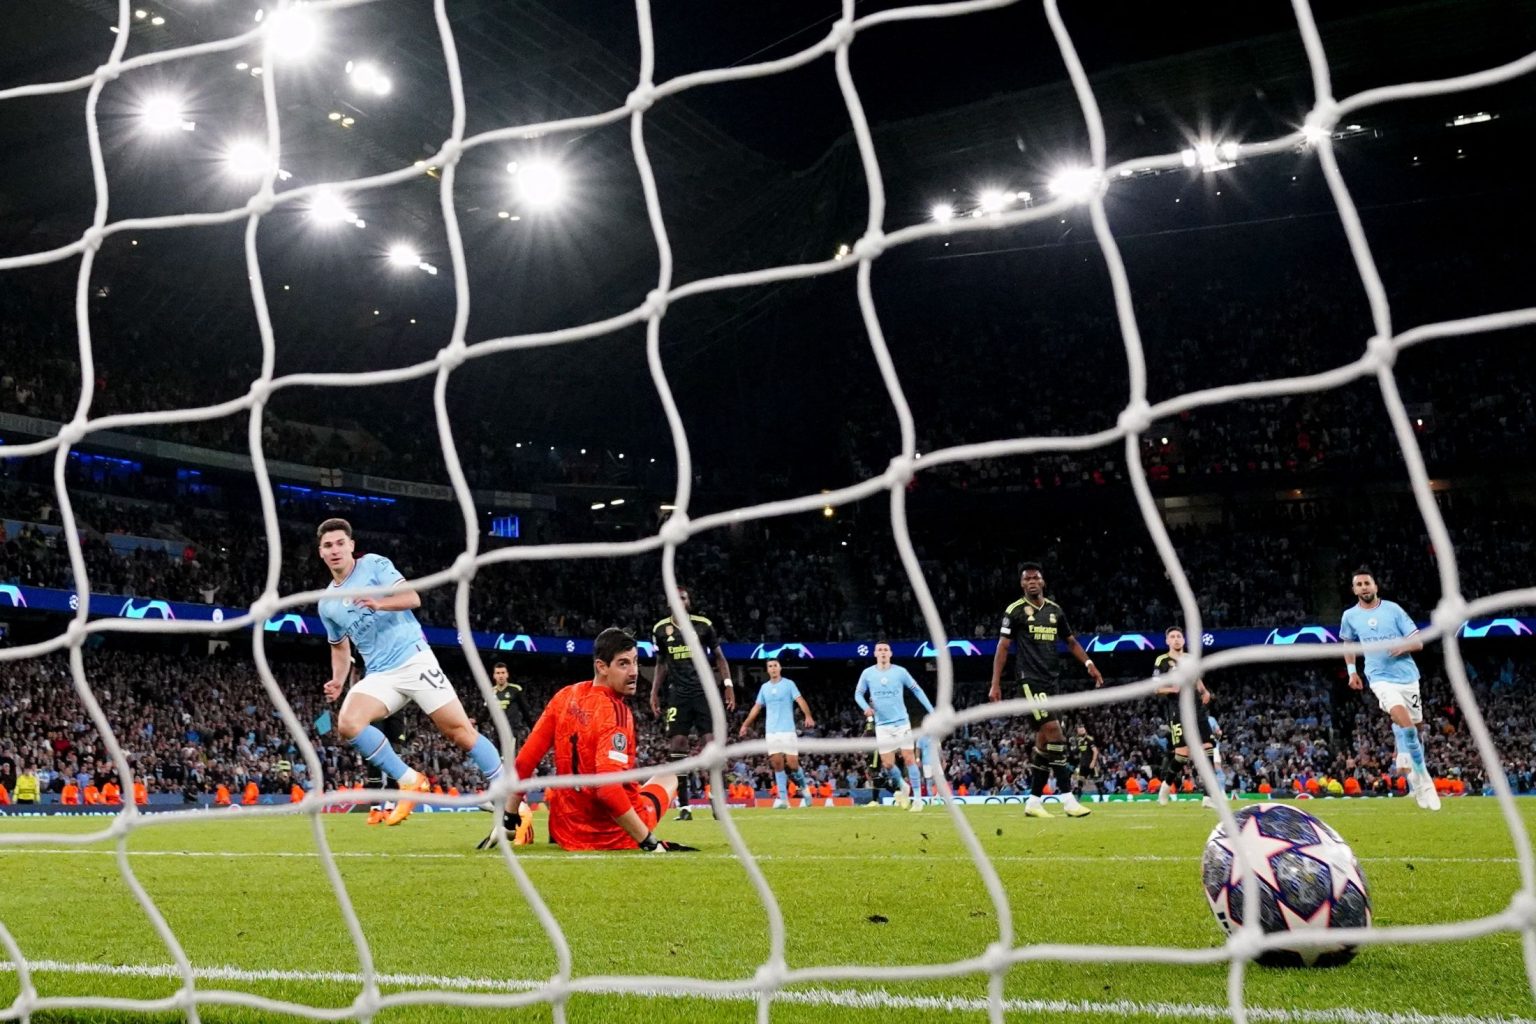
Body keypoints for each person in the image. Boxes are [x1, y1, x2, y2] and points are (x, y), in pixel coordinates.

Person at [315, 518, 513, 828]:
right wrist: (338, 680)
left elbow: (412, 598)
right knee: (349, 723)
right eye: (328, 546)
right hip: (380, 674)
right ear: (321, 553)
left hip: (414, 659)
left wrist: (379, 603)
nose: (335, 550)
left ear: (352, 545)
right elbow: (339, 647)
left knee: (459, 732)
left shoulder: (374, 565)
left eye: (341, 543)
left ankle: (506, 792)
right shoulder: (327, 604)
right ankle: (410, 780)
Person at [502, 628, 695, 852]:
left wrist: (509, 816)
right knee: (671, 774)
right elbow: (608, 790)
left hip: (565, 831)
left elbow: (524, 762)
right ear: (602, 667)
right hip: (613, 836)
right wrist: (649, 842)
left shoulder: (564, 696)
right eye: (623, 664)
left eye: (635, 662)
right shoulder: (616, 712)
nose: (634, 672)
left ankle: (516, 825)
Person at [987, 562, 1103, 819]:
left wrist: (1089, 664)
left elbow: (1071, 641)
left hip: (1052, 682)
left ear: (1043, 582)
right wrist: (995, 683)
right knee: (1056, 736)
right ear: (1022, 584)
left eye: (1035, 578)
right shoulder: (1015, 611)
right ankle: (1068, 799)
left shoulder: (1055, 611)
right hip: (1030, 681)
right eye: (1027, 579)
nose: (1031, 582)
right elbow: (1003, 647)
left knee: (1043, 743)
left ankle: (1033, 802)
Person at [1340, 566, 1440, 811]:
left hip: (1407, 677)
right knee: (1404, 721)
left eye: (1367, 583)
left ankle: (1414, 773)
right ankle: (1423, 779)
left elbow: (1418, 642)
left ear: (1375, 586)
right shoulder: (1350, 616)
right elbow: (1348, 644)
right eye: (1359, 584)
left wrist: (1403, 647)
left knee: (1415, 727)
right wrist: (1352, 671)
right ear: (1354, 590)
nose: (1364, 587)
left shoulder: (1393, 610)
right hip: (1379, 677)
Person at [650, 585, 734, 821]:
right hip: (678, 695)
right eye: (676, 598)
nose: (680, 601)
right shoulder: (660, 629)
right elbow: (661, 663)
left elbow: (720, 658)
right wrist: (654, 692)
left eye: (684, 598)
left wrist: (728, 685)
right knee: (677, 746)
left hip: (704, 693)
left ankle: (716, 799)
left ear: (689, 602)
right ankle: (685, 807)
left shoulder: (703, 625)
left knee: (711, 745)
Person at [854, 642, 935, 812]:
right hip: (882, 726)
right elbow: (858, 694)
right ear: (875, 654)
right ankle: (902, 785)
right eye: (880, 650)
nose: (883, 652)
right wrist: (865, 707)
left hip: (901, 723)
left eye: (885, 650)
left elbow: (917, 690)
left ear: (890, 653)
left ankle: (918, 800)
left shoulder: (900, 672)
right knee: (888, 764)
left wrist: (931, 710)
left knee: (909, 758)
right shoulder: (868, 673)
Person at [737, 658, 817, 808]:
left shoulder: (789, 684)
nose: (773, 668)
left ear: (780, 668)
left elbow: (800, 700)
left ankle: (804, 789)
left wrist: (808, 715)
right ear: (767, 670)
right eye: (770, 666)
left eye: (775, 666)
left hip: (787, 730)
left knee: (792, 764)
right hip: (771, 731)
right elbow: (756, 707)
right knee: (777, 764)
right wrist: (745, 724)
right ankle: (784, 800)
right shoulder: (764, 688)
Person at [1151, 626, 1213, 806]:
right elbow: (1156, 688)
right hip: (1178, 709)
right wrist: (1172, 689)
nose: (1176, 639)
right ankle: (1165, 786)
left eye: (1179, 636)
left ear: (1184, 640)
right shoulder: (1162, 660)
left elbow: (1196, 679)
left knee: (1208, 747)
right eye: (1172, 636)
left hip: (1197, 707)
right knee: (1181, 756)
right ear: (1167, 641)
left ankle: (1208, 797)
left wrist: (1204, 691)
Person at [491, 661, 536, 743]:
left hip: (511, 732)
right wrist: (475, 721)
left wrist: (533, 728)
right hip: (497, 733)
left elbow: (525, 711)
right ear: (494, 675)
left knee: (511, 751)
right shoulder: (491, 691)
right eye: (498, 673)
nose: (501, 676)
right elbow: (486, 711)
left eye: (503, 673)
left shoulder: (515, 690)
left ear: (507, 674)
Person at [1068, 723, 1100, 800]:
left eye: (1082, 729)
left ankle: (1101, 797)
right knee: (1080, 781)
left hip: (1091, 764)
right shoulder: (1079, 741)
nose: (1080, 731)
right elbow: (1076, 751)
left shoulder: (1089, 739)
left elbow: (1095, 751)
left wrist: (1093, 762)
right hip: (1083, 764)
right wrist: (1071, 748)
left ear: (1084, 730)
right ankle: (1078, 798)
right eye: (1079, 730)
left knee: (1097, 781)